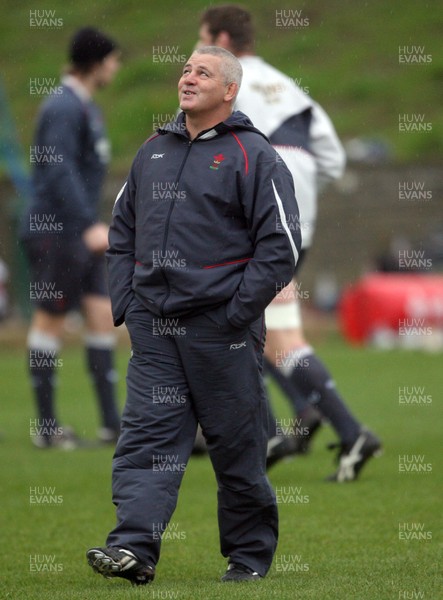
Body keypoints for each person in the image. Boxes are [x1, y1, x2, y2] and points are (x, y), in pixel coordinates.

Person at [86, 46, 301, 585]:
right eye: (185, 69)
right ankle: (133, 549)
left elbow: (281, 245)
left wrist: (236, 312)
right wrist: (129, 306)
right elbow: (121, 234)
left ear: (229, 90)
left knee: (237, 447)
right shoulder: (152, 151)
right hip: (154, 330)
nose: (188, 77)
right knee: (146, 440)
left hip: (221, 330)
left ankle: (248, 559)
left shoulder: (256, 155)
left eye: (203, 72)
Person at [198, 4, 382, 481]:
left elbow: (205, 145)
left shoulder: (221, 81)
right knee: (268, 331)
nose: (196, 53)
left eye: (202, 40)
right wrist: (298, 197)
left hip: (252, 214)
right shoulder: (292, 88)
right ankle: (302, 427)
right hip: (296, 221)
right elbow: (334, 160)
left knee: (243, 328)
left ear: (219, 37)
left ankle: (291, 431)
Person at [20, 27, 121, 448]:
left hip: (78, 232)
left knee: (102, 316)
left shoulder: (86, 107)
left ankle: (112, 426)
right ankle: (46, 430)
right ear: (96, 63)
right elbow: (59, 169)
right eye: (113, 60)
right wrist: (87, 223)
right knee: (51, 321)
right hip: (57, 231)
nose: (116, 68)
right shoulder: (63, 107)